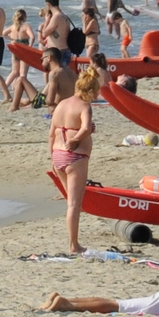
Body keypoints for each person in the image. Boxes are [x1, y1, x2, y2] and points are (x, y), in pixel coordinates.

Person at [51, 66, 100, 255]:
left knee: (69, 201)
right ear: (88, 91)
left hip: (58, 156)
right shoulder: (84, 106)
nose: (95, 96)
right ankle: (74, 245)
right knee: (74, 204)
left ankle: (73, 241)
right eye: (95, 92)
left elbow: (51, 133)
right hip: (74, 158)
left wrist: (52, 158)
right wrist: (76, 138)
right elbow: (86, 128)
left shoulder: (62, 105)